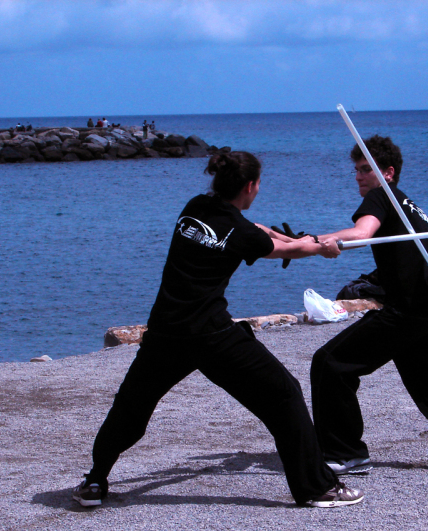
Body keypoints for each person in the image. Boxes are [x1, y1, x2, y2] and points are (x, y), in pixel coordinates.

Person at [73, 151, 364, 509]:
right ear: (250, 186)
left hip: (166, 330)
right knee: (283, 394)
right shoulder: (242, 234)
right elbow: (290, 248)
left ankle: (94, 480)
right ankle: (317, 488)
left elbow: (258, 231)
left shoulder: (195, 208)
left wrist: (290, 238)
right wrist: (322, 247)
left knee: (130, 409)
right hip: (211, 336)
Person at [311, 135, 428, 476]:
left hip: (407, 313)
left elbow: (362, 233)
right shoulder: (413, 209)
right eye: (357, 170)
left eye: (366, 169)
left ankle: (346, 453)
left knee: (330, 364)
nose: (359, 176)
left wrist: (320, 242)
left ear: (388, 172)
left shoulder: (381, 196)